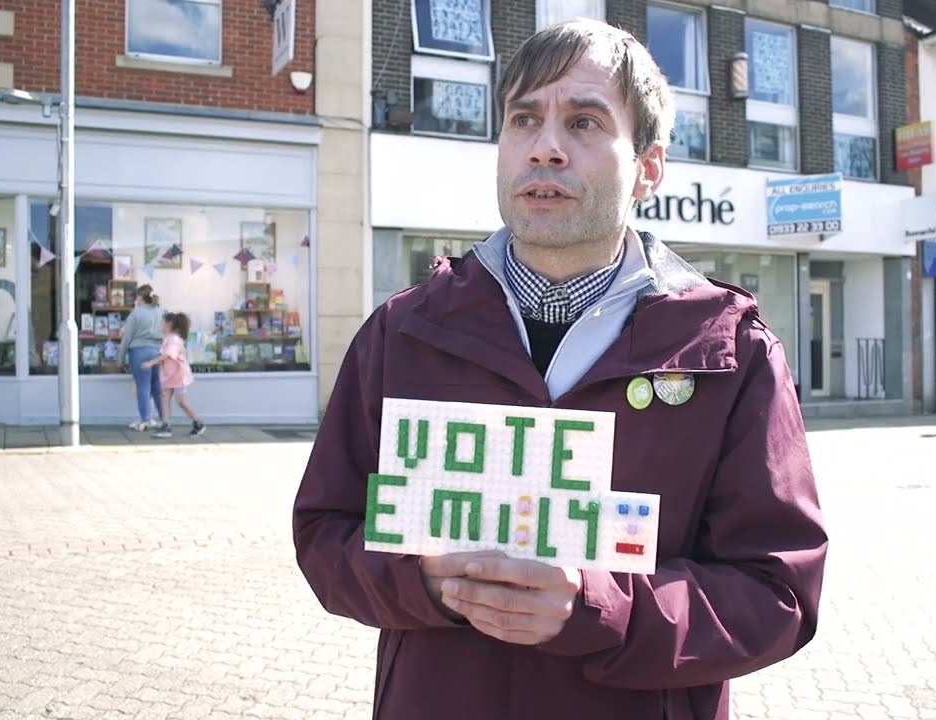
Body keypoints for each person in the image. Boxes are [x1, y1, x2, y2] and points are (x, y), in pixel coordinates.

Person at [292, 20, 827, 720]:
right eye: (523, 120)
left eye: (583, 121)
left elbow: (777, 592)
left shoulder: (729, 350)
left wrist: (601, 606)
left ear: (650, 166)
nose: (545, 148)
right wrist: (422, 582)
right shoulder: (402, 332)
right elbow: (325, 531)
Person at [139, 311, 205, 439]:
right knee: (165, 398)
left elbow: (168, 355)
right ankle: (166, 426)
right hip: (170, 375)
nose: (161, 325)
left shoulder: (173, 339)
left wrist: (151, 363)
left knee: (181, 401)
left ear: (169, 324)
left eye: (162, 322)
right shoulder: (168, 338)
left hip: (178, 375)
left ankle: (198, 423)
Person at [118, 284, 164, 431]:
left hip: (139, 352)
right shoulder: (161, 313)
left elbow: (127, 338)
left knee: (143, 387)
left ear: (139, 297)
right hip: (157, 352)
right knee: (157, 388)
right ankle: (165, 419)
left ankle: (145, 420)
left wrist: (120, 358)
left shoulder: (136, 314)